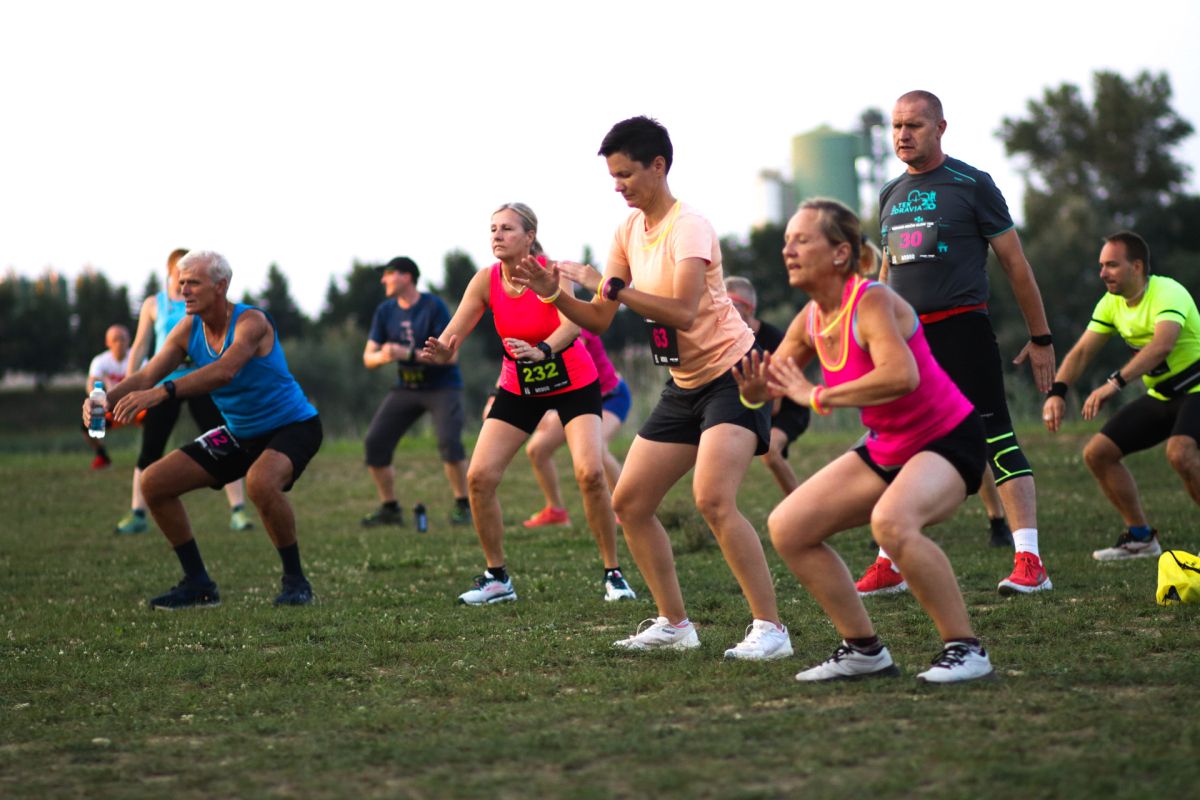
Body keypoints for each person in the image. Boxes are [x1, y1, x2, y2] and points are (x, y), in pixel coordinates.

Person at [514, 116, 792, 660]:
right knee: (630, 502)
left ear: (658, 166)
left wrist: (609, 285)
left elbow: (683, 311)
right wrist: (554, 294)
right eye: (612, 177)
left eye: (625, 174)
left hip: (734, 375)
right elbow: (598, 320)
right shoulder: (627, 231)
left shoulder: (690, 227)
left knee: (713, 499)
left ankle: (771, 629)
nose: (618, 186)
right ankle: (675, 625)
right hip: (684, 383)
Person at [736, 198, 994, 683]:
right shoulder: (810, 318)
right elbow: (769, 387)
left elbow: (902, 375)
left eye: (801, 240)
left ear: (840, 253)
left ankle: (966, 650)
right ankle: (863, 650)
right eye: (787, 241)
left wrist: (817, 395)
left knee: (892, 524)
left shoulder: (871, 300)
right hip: (888, 443)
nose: (788, 250)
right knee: (789, 526)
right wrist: (752, 393)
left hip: (947, 438)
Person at [869, 89, 1056, 597]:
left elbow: (1016, 265)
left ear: (940, 128)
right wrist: (874, 333)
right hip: (908, 340)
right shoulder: (889, 193)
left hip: (962, 329)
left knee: (996, 438)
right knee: (900, 441)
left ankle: (1030, 562)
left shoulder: (973, 184)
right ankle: (890, 563)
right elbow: (886, 272)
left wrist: (1041, 338)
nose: (903, 135)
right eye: (896, 126)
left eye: (914, 125)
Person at [421, 202, 637, 605]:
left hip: (573, 382)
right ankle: (497, 579)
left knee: (590, 474)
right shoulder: (485, 280)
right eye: (493, 229)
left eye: (507, 228)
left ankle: (613, 573)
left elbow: (573, 326)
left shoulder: (551, 272)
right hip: (519, 387)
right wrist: (442, 351)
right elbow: (452, 336)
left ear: (529, 236)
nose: (497, 235)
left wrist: (543, 350)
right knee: (479, 477)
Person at [85, 250, 322, 609]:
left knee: (260, 482)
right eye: (181, 283)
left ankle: (296, 583)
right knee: (153, 482)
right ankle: (198, 584)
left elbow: (225, 371)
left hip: (293, 426)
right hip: (240, 433)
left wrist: (163, 392)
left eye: (193, 283)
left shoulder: (251, 322)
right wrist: (103, 398)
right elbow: (147, 375)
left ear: (220, 285)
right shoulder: (187, 329)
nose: (183, 290)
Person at [1043, 230, 1200, 561]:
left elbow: (1162, 345)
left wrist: (1114, 383)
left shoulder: (1167, 293)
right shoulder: (1110, 304)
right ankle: (1140, 538)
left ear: (1137, 266)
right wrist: (1058, 391)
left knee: (1180, 453)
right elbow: (1082, 352)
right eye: (1101, 265)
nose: (1103, 273)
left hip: (1197, 389)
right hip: (1162, 396)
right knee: (1098, 454)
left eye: (1112, 265)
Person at [117, 248, 252, 535]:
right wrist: (130, 386)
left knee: (223, 441)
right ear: (170, 272)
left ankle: (238, 511)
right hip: (161, 384)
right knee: (151, 448)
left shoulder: (202, 302)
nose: (187, 280)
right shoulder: (154, 304)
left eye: (193, 274)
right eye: (182, 273)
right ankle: (138, 513)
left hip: (201, 381)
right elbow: (140, 346)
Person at [360, 256, 470, 528]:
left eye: (389, 274)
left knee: (449, 443)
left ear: (406, 276)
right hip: (406, 387)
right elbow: (368, 358)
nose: (383, 280)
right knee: (375, 443)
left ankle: (463, 506)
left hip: (442, 387)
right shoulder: (385, 311)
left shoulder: (434, 306)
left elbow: (451, 357)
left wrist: (406, 353)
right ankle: (389, 509)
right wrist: (384, 356)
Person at [521, 328, 631, 527]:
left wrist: (548, 405)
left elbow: (571, 360)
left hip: (610, 397)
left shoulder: (574, 322)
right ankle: (556, 511)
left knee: (596, 449)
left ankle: (628, 510)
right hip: (574, 399)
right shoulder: (538, 327)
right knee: (537, 449)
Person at [725, 276, 810, 495]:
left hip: (788, 406)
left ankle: (800, 505)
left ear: (749, 309)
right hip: (756, 403)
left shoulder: (773, 340)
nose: (724, 312)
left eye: (731, 306)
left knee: (770, 452)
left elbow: (774, 407)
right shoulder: (727, 338)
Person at [82, 324, 131, 470]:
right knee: (87, 424)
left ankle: (151, 456)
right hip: (110, 408)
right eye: (115, 339)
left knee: (156, 418)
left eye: (122, 339)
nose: (119, 343)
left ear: (129, 340)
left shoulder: (137, 357)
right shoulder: (100, 361)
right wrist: (95, 400)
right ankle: (102, 456)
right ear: (107, 343)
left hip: (134, 406)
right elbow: (91, 383)